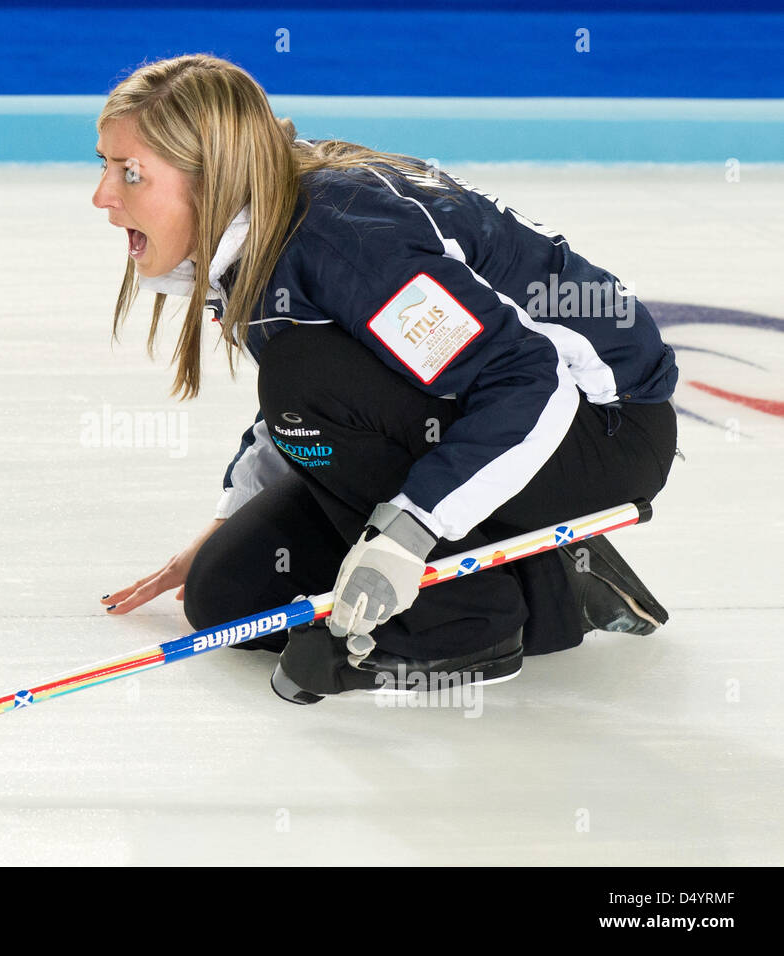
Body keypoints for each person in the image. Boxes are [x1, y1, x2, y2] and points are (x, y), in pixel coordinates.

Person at [91, 54, 679, 703]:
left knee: (304, 379)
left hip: (603, 429)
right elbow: (336, 393)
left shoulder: (343, 239)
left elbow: (525, 379)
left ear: (212, 175)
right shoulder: (261, 224)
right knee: (230, 594)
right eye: (105, 165)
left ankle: (465, 627)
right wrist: (226, 522)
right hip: (498, 415)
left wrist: (407, 531)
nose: (103, 196)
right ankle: (552, 577)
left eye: (132, 173)